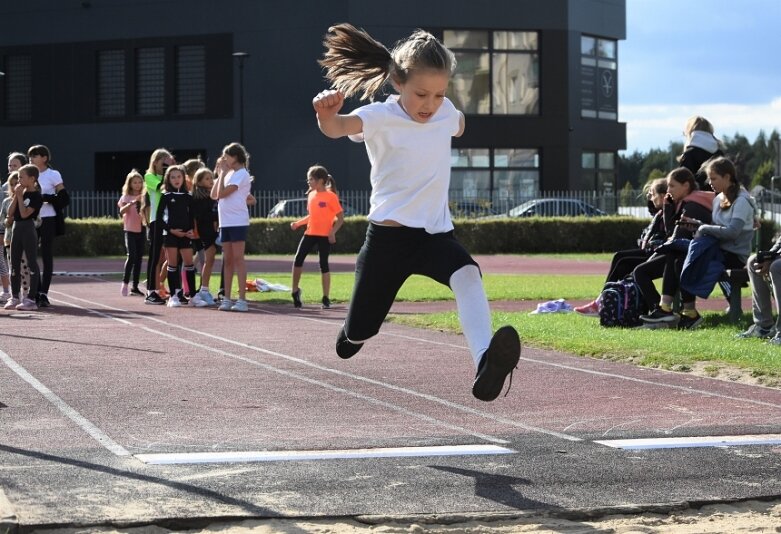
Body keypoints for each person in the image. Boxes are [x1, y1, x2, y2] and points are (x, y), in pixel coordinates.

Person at [313, 23, 521, 402]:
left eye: (440, 94)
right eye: (421, 94)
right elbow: (336, 128)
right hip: (387, 241)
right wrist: (326, 114)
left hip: (435, 237)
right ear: (397, 82)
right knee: (358, 334)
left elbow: (458, 123)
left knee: (469, 277)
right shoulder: (379, 116)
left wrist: (451, 113)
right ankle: (351, 334)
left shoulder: (446, 113)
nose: (430, 104)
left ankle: (484, 363)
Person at [678, 157, 756, 328]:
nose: (710, 183)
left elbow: (732, 233)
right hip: (719, 250)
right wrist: (696, 226)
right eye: (709, 178)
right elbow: (717, 229)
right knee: (679, 255)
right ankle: (685, 310)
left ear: (727, 177)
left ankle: (688, 312)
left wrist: (704, 228)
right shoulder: (717, 198)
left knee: (691, 259)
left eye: (714, 178)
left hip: (734, 255)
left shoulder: (742, 201)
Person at [575, 177, 668, 316]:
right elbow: (654, 212)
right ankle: (603, 300)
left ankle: (603, 301)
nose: (651, 198)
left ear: (662, 196)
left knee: (624, 262)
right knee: (620, 257)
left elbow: (667, 235)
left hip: (658, 254)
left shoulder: (668, 211)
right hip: (652, 251)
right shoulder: (660, 212)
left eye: (653, 194)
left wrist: (651, 243)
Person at [635, 167, 714, 328]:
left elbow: (677, 238)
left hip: (704, 255)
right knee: (672, 258)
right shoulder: (682, 204)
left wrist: (668, 211)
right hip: (689, 252)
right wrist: (668, 209)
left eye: (672, 186)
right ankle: (665, 310)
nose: (668, 190)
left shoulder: (692, 206)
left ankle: (666, 311)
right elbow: (675, 236)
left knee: (645, 269)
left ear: (686, 186)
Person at [290, 165, 345, 309]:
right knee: (298, 259)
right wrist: (298, 223)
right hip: (310, 234)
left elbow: (340, 218)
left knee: (323, 265)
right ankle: (295, 291)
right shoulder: (311, 195)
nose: (308, 182)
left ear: (320, 180)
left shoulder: (331, 196)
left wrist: (332, 232)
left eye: (311, 179)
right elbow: (312, 216)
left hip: (324, 236)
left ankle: (326, 297)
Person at [156, 165, 205, 308]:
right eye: (173, 177)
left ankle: (193, 296)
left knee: (189, 265)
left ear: (183, 178)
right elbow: (159, 218)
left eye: (179, 176)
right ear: (168, 179)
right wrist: (171, 230)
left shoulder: (188, 197)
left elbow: (191, 216)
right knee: (172, 265)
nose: (176, 180)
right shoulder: (165, 197)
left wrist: (190, 231)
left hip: (186, 236)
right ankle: (173, 296)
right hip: (171, 235)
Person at [211, 142, 252, 312]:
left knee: (238, 259)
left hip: (237, 221)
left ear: (235, 157)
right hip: (225, 222)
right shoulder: (228, 175)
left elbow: (222, 194)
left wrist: (221, 173)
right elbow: (214, 195)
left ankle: (242, 299)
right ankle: (227, 298)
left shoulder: (242, 173)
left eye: (226, 156)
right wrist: (221, 174)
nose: (223, 159)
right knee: (227, 261)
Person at [27, 145, 66, 308]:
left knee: (46, 255)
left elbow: (64, 197)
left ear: (44, 158)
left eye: (34, 156)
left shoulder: (53, 174)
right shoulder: (28, 173)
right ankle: (35, 290)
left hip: (48, 219)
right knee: (30, 255)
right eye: (30, 156)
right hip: (31, 220)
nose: (31, 159)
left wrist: (46, 198)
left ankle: (44, 293)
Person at [4, 164, 42, 311]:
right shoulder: (21, 192)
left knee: (32, 263)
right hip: (16, 229)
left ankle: (31, 299)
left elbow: (25, 213)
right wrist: (16, 195)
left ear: (32, 179)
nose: (19, 179)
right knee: (14, 263)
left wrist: (20, 197)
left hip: (28, 229)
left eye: (21, 177)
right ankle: (14, 296)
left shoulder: (36, 196)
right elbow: (11, 212)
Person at [144, 148, 175, 305]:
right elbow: (161, 188)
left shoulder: (167, 176)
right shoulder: (149, 176)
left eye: (167, 161)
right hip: (156, 219)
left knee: (166, 257)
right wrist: (170, 170)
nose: (165, 165)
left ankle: (166, 289)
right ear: (155, 161)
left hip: (168, 220)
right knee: (155, 256)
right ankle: (150, 291)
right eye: (163, 162)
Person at [190, 167, 218, 306]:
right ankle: (204, 290)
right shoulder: (199, 197)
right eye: (207, 178)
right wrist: (216, 216)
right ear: (199, 182)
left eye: (211, 178)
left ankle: (204, 289)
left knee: (210, 259)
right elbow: (201, 216)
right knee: (209, 259)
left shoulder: (212, 194)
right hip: (206, 231)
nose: (211, 181)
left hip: (213, 230)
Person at [118, 170, 146, 296]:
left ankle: (135, 287)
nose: (138, 184)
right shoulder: (126, 197)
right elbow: (122, 211)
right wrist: (132, 203)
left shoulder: (144, 196)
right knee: (132, 256)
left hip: (142, 229)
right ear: (130, 184)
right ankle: (125, 283)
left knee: (139, 258)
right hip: (130, 230)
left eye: (140, 182)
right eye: (135, 182)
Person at [678, 116, 723, 191]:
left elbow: (682, 181)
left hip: (696, 199)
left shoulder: (689, 154)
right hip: (718, 199)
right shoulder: (719, 154)